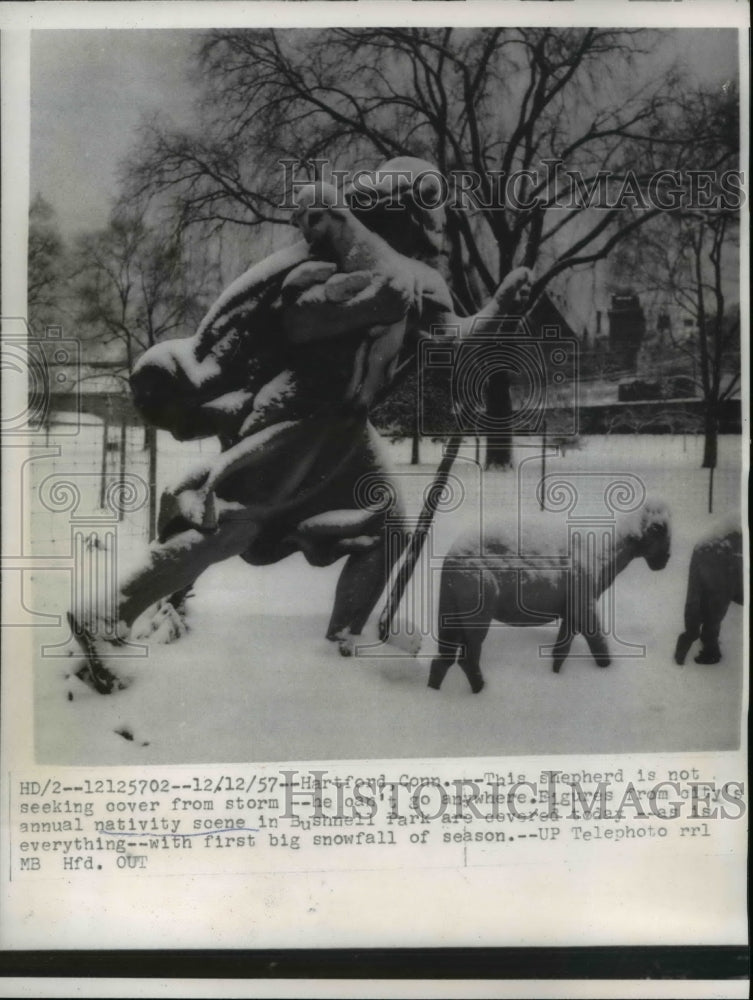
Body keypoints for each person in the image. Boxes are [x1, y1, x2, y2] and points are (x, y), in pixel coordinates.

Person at [69, 157, 532, 693]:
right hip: (293, 413)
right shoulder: (323, 264)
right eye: (425, 215)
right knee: (236, 524)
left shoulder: (421, 284)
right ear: (398, 213)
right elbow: (294, 322)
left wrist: (498, 312)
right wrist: (368, 303)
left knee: (386, 528)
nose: (435, 228)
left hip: (345, 430)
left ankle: (341, 640)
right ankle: (112, 612)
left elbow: (449, 344)